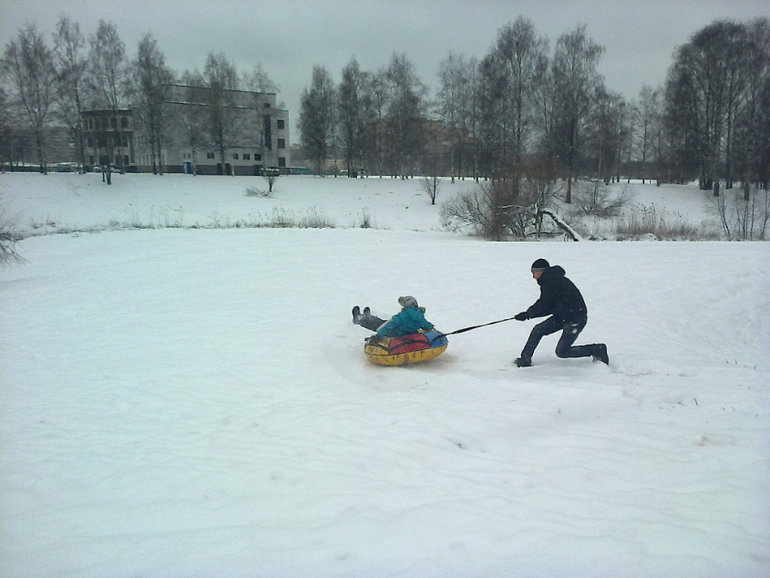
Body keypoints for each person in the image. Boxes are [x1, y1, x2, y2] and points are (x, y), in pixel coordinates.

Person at [513, 258, 609, 367]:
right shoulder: (552, 279)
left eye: (533, 272)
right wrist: (528, 315)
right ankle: (525, 359)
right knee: (538, 330)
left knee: (562, 351)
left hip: (575, 319)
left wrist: (528, 314)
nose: (533, 276)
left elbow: (544, 303)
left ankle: (597, 350)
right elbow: (549, 307)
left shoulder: (550, 281)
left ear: (540, 271)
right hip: (563, 316)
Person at [352, 296, 434, 338]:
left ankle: (360, 320)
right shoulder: (420, 317)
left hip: (395, 333)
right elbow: (426, 326)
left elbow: (389, 326)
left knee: (379, 324)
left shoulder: (402, 315)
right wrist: (431, 328)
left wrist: (378, 335)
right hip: (407, 333)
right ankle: (370, 318)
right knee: (382, 321)